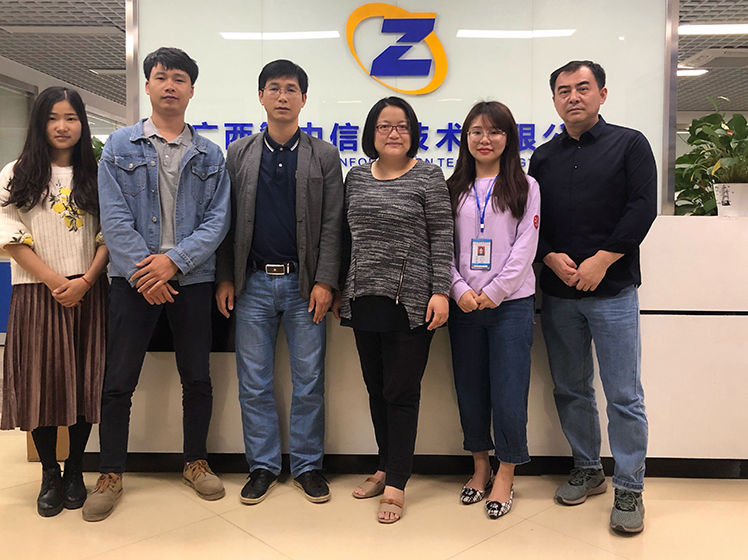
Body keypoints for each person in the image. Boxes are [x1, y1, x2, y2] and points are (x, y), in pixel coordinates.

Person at [84, 47, 230, 521]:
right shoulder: (119, 146)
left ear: (191, 89)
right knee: (118, 380)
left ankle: (195, 462)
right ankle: (110, 472)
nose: (170, 85)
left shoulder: (210, 153)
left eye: (179, 78)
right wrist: (145, 271)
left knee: (197, 376)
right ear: (147, 85)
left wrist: (174, 262)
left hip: (191, 279)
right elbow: (113, 217)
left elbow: (217, 220)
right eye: (162, 77)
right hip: (133, 281)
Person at [528, 60, 657, 534]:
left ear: (602, 94)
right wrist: (548, 256)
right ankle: (587, 467)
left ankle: (629, 486)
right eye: (563, 90)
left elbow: (642, 207)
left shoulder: (630, 144)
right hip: (559, 293)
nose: (573, 97)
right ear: (554, 100)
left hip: (613, 291)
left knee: (624, 395)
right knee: (570, 387)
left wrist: (602, 260)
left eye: (583, 88)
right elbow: (531, 219)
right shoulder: (543, 157)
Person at [215, 60, 343, 505]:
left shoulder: (324, 155)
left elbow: (333, 224)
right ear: (261, 96)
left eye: (291, 89)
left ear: (304, 99)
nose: (283, 96)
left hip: (303, 286)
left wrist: (326, 281)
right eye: (274, 88)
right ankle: (263, 466)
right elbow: (226, 221)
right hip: (251, 284)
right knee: (254, 382)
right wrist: (225, 277)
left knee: (309, 381)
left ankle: (307, 466)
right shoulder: (240, 153)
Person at [0, 86, 109, 517]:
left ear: (82, 124)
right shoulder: (16, 173)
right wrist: (57, 281)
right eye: (53, 118)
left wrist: (86, 280)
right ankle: (49, 474)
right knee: (40, 385)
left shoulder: (98, 173)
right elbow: (10, 236)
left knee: (85, 383)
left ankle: (75, 469)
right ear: (40, 123)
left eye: (71, 118)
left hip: (89, 293)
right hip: (37, 294)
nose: (62, 126)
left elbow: (110, 234)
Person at [333, 96, 453, 524]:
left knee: (401, 392)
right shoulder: (356, 177)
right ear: (372, 133)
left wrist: (441, 291)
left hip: (412, 301)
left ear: (413, 132)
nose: (393, 133)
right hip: (363, 296)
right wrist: (339, 289)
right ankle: (385, 466)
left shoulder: (428, 175)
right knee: (376, 387)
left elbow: (442, 235)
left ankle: (398, 481)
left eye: (401, 126)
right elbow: (345, 237)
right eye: (384, 126)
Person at [445, 101, 540, 520]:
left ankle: (506, 471)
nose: (485, 139)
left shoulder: (526, 186)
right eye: (477, 131)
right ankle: (479, 465)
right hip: (464, 304)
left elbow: (525, 248)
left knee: (509, 390)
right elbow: (442, 246)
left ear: (509, 138)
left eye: (495, 131)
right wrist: (458, 289)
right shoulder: (452, 187)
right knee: (469, 388)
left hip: (511, 305)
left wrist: (497, 290)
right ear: (465, 137)